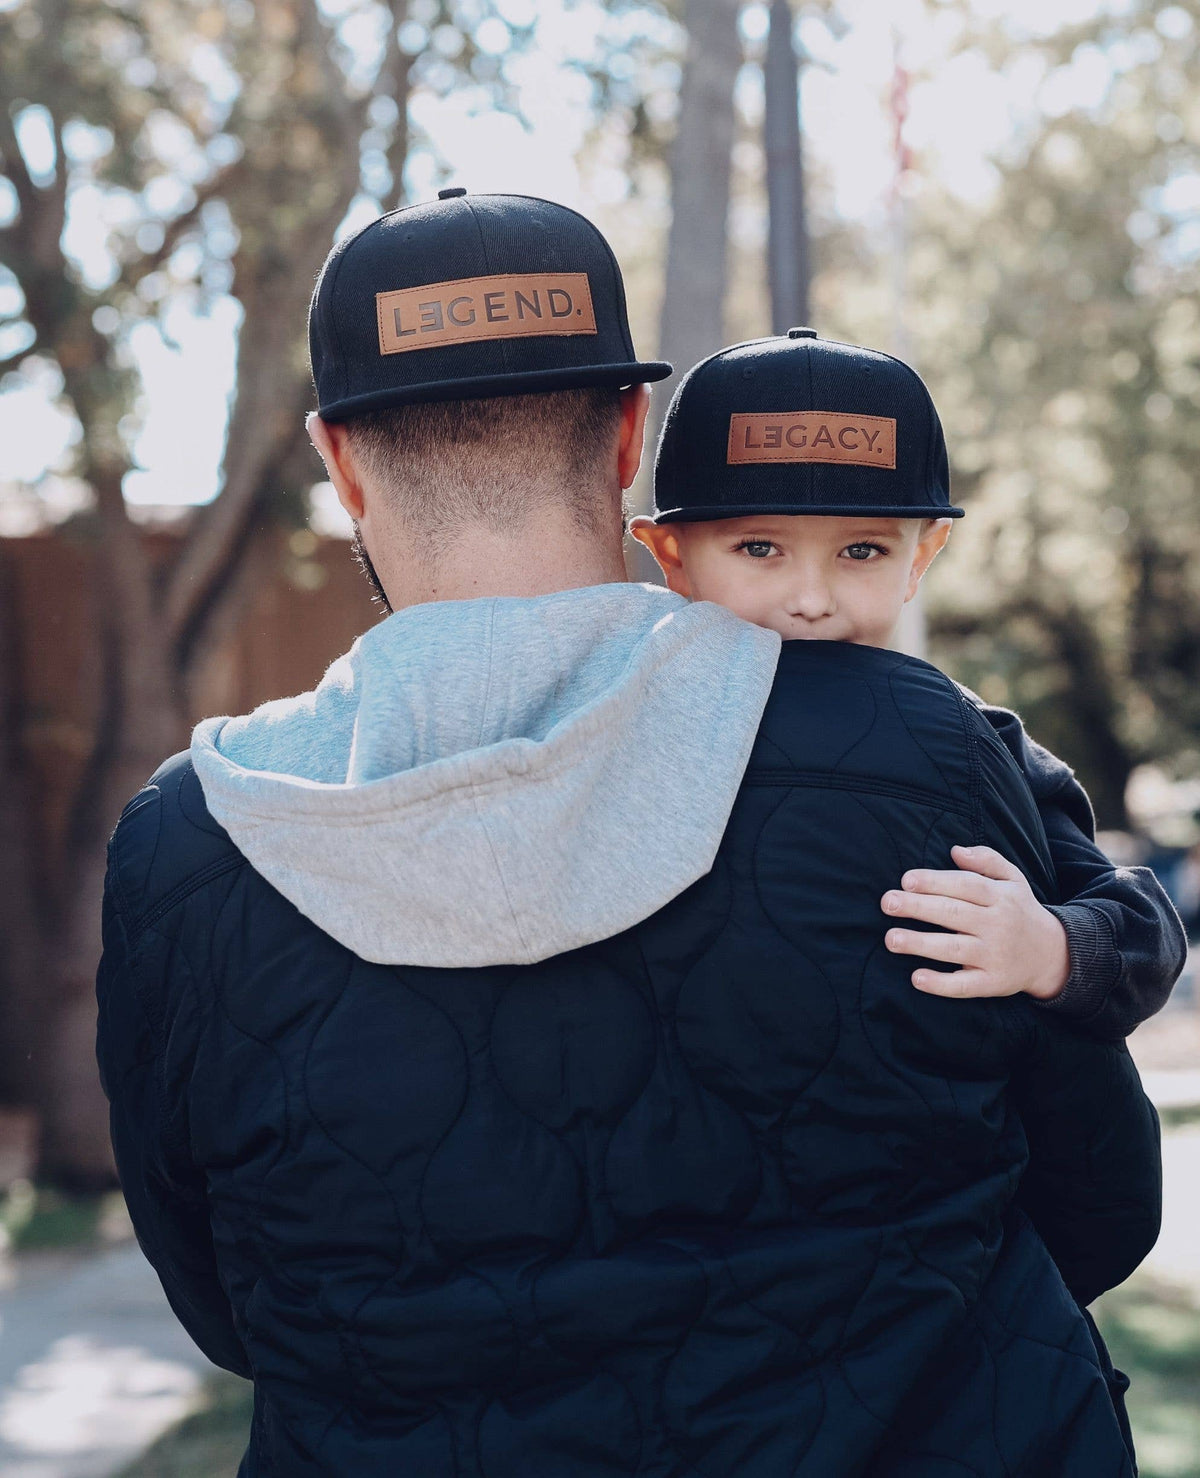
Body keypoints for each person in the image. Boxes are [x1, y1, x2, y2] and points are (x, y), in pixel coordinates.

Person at [94, 194, 1179, 1477]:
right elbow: (1101, 1202)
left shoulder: (188, 845)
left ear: (340, 462)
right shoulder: (915, 745)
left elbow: (224, 1302)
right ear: (627, 439)